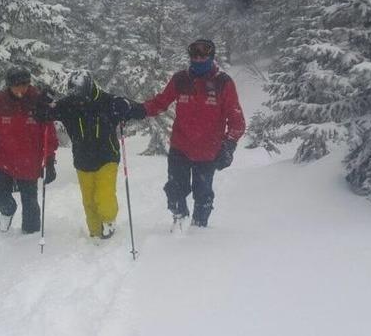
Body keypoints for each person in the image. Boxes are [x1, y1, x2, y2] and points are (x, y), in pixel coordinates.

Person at [135, 39, 246, 228]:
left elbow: (237, 121)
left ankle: (198, 232)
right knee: (175, 191)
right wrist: (137, 110)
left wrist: (229, 146)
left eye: (203, 55)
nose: (199, 59)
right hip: (181, 147)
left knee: (202, 195)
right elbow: (160, 102)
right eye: (194, 55)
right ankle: (179, 223)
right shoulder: (180, 79)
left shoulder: (223, 82)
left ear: (211, 56)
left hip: (208, 151)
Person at [35, 70, 144, 239]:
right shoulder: (67, 105)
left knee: (104, 196)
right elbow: (41, 116)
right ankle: (95, 234)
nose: (78, 101)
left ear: (90, 88)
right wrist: (42, 102)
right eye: (74, 96)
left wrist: (127, 106)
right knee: (89, 202)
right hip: (82, 160)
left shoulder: (108, 102)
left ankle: (109, 221)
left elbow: (138, 111)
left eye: (81, 96)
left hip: (107, 157)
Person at [0, 67, 58, 233]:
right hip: (4, 160)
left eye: (25, 84)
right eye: (17, 85)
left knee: (30, 202)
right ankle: (8, 211)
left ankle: (31, 236)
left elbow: (49, 134)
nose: (21, 89)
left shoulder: (38, 101)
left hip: (29, 161)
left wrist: (50, 160)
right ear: (9, 85)